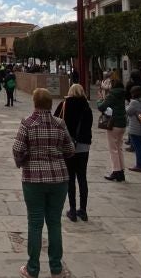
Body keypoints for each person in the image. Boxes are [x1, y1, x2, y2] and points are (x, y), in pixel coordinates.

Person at [14, 88, 75, 278]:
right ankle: (56, 268)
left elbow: (17, 149)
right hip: (59, 178)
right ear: (50, 103)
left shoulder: (27, 123)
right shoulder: (60, 123)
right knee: (54, 223)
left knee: (35, 223)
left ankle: (32, 269)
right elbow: (70, 149)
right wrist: (57, 155)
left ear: (34, 103)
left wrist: (24, 160)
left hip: (33, 179)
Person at [54, 83, 93, 222]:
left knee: (70, 178)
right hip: (83, 146)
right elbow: (89, 125)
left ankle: (72, 209)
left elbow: (55, 121)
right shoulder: (87, 107)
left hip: (67, 145)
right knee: (82, 177)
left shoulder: (64, 105)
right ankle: (83, 210)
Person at [97, 79, 128, 181]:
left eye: (109, 83)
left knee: (113, 149)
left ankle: (116, 171)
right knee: (119, 148)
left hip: (113, 124)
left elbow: (101, 107)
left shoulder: (112, 95)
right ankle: (121, 171)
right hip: (122, 124)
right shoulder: (122, 94)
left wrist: (100, 100)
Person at [125, 85, 141, 172]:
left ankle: (139, 165)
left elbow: (128, 112)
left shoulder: (134, 102)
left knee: (138, 147)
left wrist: (127, 104)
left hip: (135, 128)